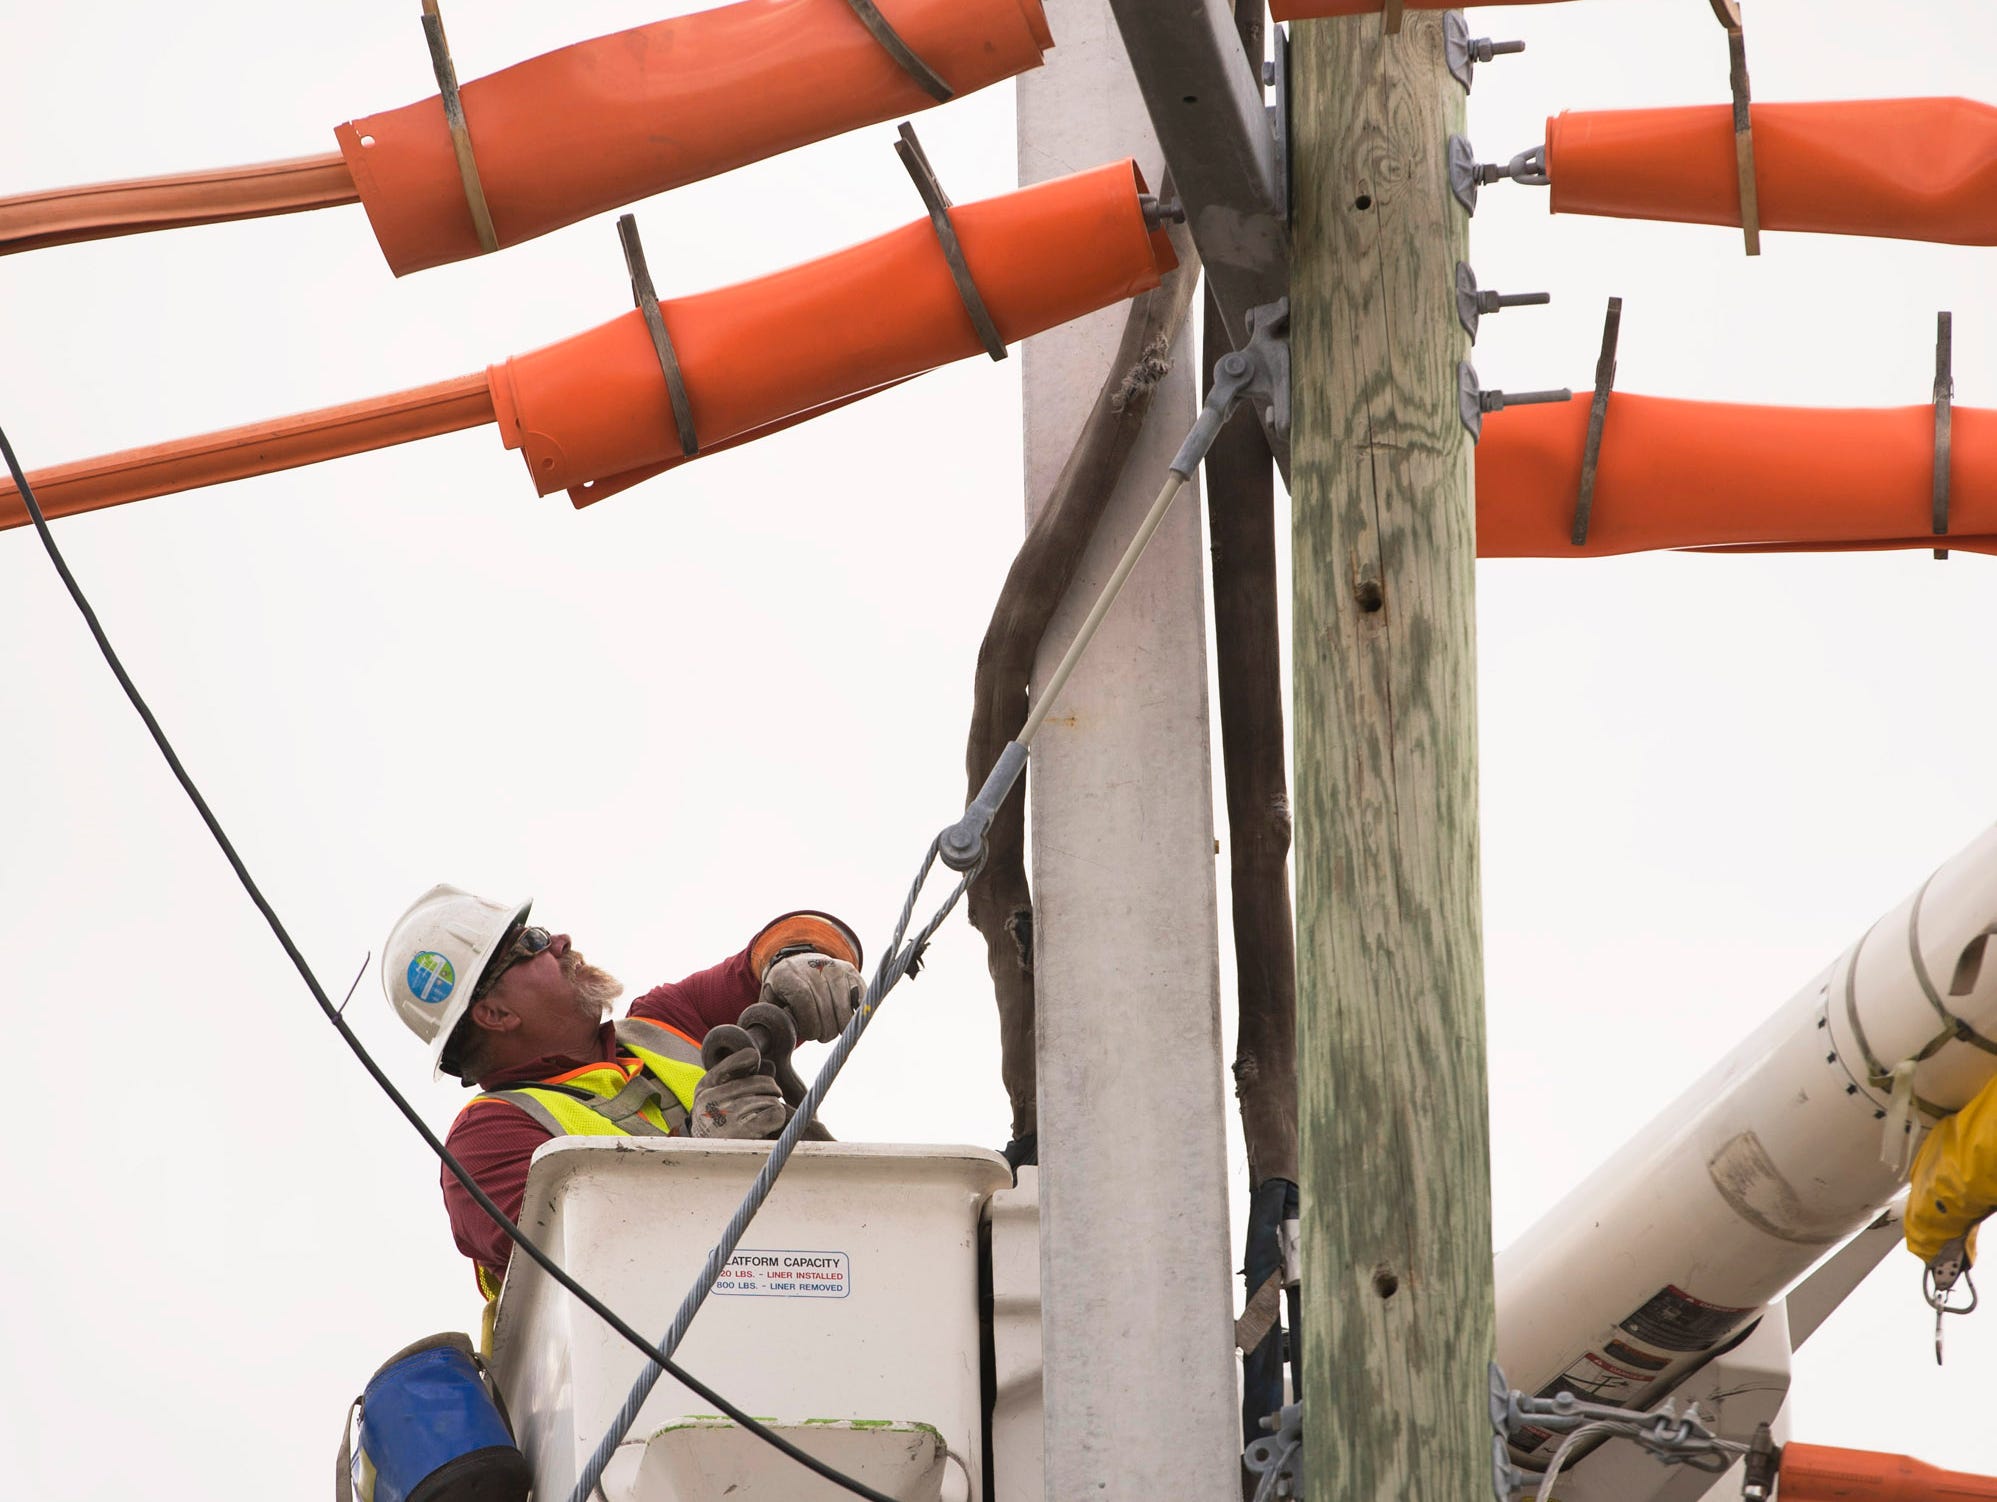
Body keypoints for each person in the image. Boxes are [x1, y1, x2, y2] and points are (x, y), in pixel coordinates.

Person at [383, 885, 865, 1298]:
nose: (561, 941)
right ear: (495, 1014)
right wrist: (702, 1150)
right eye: (532, 942)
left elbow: (792, 941)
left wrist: (798, 961)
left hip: (821, 1280)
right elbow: (583, 1262)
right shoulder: (487, 1141)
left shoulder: (666, 1021)